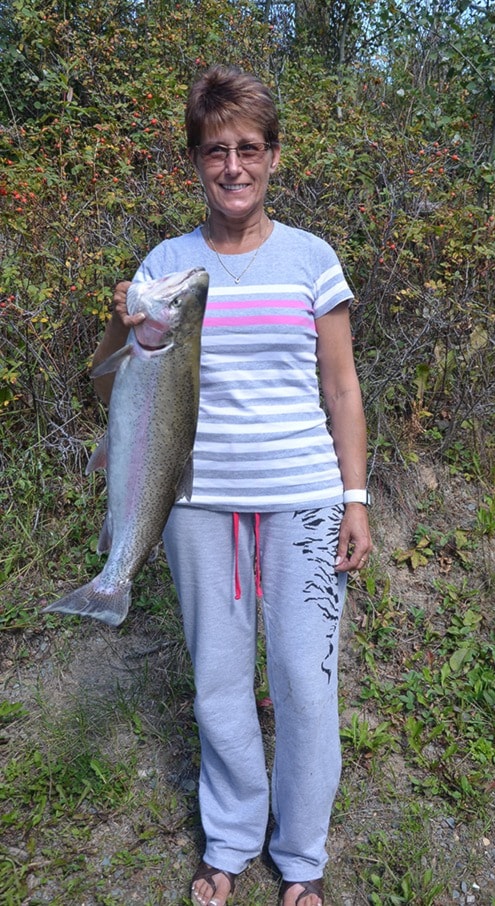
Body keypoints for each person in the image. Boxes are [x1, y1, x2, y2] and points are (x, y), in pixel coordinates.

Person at [92, 64, 372, 906]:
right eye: (216, 151)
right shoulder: (166, 264)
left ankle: (302, 859)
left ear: (275, 157)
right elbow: (112, 389)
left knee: (303, 677)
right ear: (194, 164)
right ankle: (229, 841)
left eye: (249, 148)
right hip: (193, 502)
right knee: (218, 678)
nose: (234, 167)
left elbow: (341, 390)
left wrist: (356, 499)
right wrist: (121, 320)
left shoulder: (312, 259)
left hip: (303, 500)